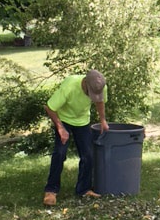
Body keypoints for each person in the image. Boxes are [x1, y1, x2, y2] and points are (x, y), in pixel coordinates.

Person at [43, 69, 110, 206]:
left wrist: (102, 119)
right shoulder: (70, 86)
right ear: (85, 82)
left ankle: (84, 189)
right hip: (64, 120)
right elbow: (49, 107)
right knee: (60, 153)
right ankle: (51, 190)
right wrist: (60, 128)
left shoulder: (100, 86)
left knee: (88, 156)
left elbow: (100, 102)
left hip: (82, 121)